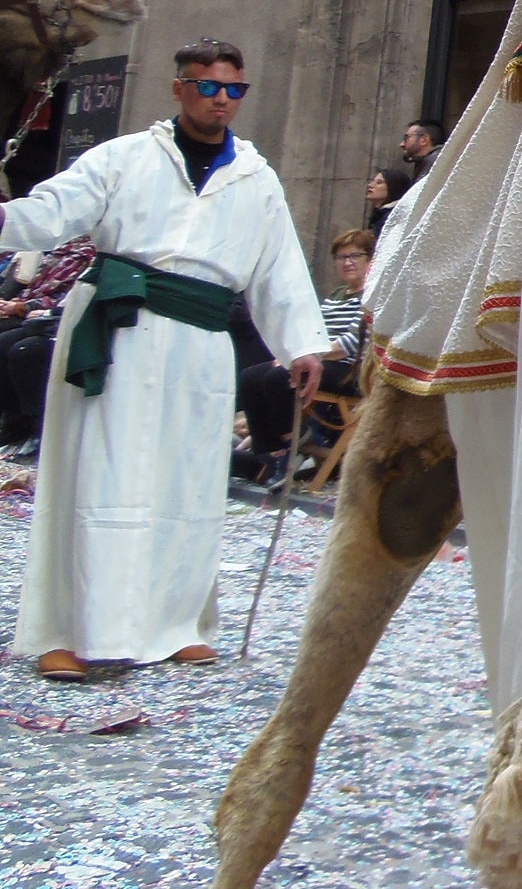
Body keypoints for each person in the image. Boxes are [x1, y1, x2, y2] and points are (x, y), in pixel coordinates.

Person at [0, 38, 325, 679]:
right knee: (99, 473)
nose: (222, 100)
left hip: (198, 342)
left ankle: (173, 623)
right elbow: (55, 212)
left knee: (188, 480)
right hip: (118, 326)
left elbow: (278, 272)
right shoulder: (124, 158)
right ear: (179, 88)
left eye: (234, 89)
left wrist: (302, 346)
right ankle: (70, 629)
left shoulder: (256, 180)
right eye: (208, 86)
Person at [236, 228, 370, 484]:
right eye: (341, 257)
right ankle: (273, 453)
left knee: (279, 378)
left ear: (369, 260)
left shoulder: (371, 296)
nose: (348, 262)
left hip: (347, 367)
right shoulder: (335, 297)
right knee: (251, 377)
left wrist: (305, 355)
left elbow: (351, 343)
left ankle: (297, 440)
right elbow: (313, 330)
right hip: (318, 360)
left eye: (355, 256)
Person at [0, 236, 95, 457]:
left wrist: (22, 307)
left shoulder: (87, 254)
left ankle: (34, 429)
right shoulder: (57, 249)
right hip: (42, 314)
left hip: (65, 320)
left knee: (25, 351)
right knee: (6, 342)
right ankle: (14, 427)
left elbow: (66, 299)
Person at [367, 166, 412, 233]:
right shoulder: (381, 214)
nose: (370, 185)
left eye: (379, 182)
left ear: (393, 187)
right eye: (373, 181)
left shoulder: (393, 217)